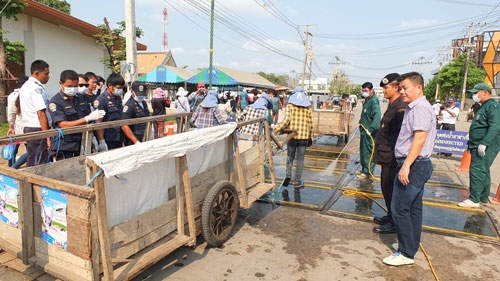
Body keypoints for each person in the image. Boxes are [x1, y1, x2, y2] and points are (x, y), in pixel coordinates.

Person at [383, 72, 436, 266]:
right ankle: (410, 246)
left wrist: (406, 166)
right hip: (415, 164)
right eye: (400, 88)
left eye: (405, 88)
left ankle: (405, 253)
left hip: (413, 164)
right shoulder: (413, 107)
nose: (402, 91)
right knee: (413, 209)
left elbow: (419, 139)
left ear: (419, 88)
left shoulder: (420, 108)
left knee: (399, 208)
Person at [372, 73, 406, 234]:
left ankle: (394, 221)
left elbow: (400, 136)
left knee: (391, 189)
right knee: (386, 188)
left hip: (393, 157)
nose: (384, 91)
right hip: (386, 156)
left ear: (396, 87)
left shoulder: (400, 107)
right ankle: (390, 215)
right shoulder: (393, 104)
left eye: (386, 88)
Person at [458, 83, 500, 208]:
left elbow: (495, 126)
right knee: (483, 169)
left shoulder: (493, 106)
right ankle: (482, 197)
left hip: (487, 143)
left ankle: (474, 199)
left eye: (476, 92)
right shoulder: (483, 106)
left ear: (485, 93)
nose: (474, 95)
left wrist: (484, 143)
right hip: (477, 143)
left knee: (477, 169)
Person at [48, 70, 105, 160]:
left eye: (75, 86)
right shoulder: (56, 101)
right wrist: (87, 118)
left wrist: (94, 138)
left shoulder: (81, 98)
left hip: (82, 142)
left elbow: (87, 122)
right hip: (66, 145)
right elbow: (63, 125)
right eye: (69, 86)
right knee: (67, 172)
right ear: (61, 83)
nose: (73, 89)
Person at [273, 86, 314, 188]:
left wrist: (277, 130)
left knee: (290, 157)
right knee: (300, 160)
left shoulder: (290, 106)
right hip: (304, 137)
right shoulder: (308, 108)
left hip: (292, 136)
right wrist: (311, 138)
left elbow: (286, 121)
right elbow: (311, 124)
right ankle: (298, 181)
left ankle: (288, 176)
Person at [19, 59, 51, 167]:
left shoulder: (26, 86)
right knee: (40, 160)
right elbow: (41, 113)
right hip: (38, 128)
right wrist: (47, 136)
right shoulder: (35, 89)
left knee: (33, 158)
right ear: (36, 73)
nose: (48, 77)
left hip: (29, 127)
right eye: (46, 74)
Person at [95, 73, 126, 151]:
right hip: (108, 137)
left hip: (118, 136)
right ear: (109, 86)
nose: (120, 90)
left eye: (121, 88)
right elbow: (98, 122)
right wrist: (101, 141)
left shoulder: (118, 98)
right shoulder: (101, 100)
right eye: (118, 88)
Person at [357, 82, 381, 179]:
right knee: (363, 151)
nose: (364, 92)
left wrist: (371, 129)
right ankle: (364, 169)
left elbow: (377, 115)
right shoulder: (367, 100)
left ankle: (368, 172)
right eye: (363, 90)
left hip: (369, 132)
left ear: (371, 90)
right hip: (364, 130)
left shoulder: (374, 100)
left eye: (366, 91)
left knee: (368, 152)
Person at [6, 76, 29, 168]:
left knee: (13, 148)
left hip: (17, 126)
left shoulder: (12, 95)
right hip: (29, 127)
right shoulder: (28, 94)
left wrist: (11, 126)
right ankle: (14, 167)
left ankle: (11, 166)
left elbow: (11, 113)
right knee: (31, 150)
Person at [121, 81, 150, 146]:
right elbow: (124, 126)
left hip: (144, 136)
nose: (141, 97)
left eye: (142, 94)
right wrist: (136, 142)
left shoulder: (143, 103)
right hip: (134, 140)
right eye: (139, 94)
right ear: (132, 92)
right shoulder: (129, 106)